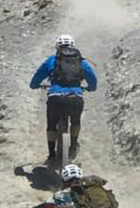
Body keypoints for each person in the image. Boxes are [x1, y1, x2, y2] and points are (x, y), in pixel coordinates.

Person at [29, 35, 97, 164]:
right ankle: (73, 145)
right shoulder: (81, 61)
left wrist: (34, 85)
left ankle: (51, 154)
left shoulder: (51, 60)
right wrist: (91, 88)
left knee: (51, 125)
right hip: (75, 97)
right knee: (75, 121)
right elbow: (92, 77)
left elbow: (38, 76)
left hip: (55, 98)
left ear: (57, 47)